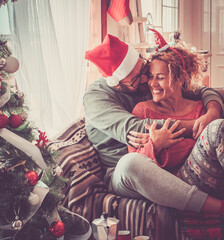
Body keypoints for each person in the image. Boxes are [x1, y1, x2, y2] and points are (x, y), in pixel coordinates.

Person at [83, 34, 224, 214]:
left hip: (171, 168)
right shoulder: (96, 97)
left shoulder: (147, 83)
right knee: (130, 163)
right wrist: (198, 124)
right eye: (136, 79)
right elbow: (140, 129)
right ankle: (217, 207)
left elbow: (201, 90)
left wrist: (212, 112)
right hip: (126, 174)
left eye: (144, 71)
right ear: (117, 84)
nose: (145, 81)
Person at [128, 41, 224, 202]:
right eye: (151, 77)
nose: (153, 84)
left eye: (160, 77)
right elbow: (134, 165)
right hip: (175, 187)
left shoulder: (201, 110)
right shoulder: (142, 111)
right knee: (217, 127)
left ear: (179, 79)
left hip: (212, 177)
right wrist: (157, 145)